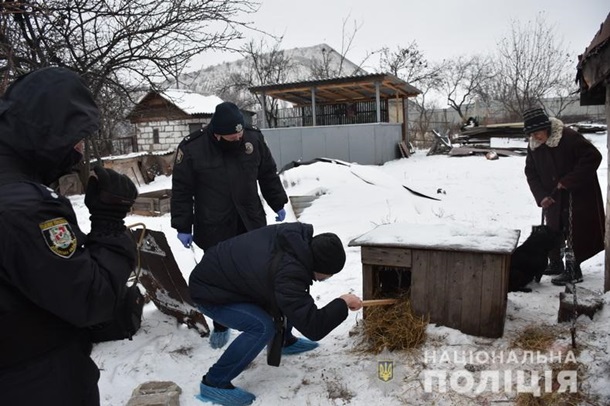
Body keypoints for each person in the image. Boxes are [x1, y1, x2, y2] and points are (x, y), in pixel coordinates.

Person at [0, 67, 139, 405]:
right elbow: (91, 299)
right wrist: (108, 223)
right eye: (75, 137)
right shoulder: (26, 206)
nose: (78, 149)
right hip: (35, 378)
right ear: (48, 129)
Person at [188, 222, 363, 406]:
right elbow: (314, 327)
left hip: (230, 278)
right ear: (318, 266)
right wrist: (343, 303)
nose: (327, 279)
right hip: (210, 292)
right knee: (262, 327)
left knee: (289, 300)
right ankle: (214, 383)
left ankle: (285, 341)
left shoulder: (294, 241)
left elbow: (290, 298)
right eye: (328, 274)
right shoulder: (289, 273)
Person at [171, 101, 288, 347]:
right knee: (220, 277)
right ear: (217, 133)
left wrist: (278, 202)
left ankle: (268, 327)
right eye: (232, 135)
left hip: (250, 221)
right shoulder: (193, 148)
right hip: (214, 224)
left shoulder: (253, 140)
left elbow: (267, 174)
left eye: (240, 132)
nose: (238, 137)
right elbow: (182, 190)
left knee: (260, 274)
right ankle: (222, 324)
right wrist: (183, 226)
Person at [523, 106, 605, 286]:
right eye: (532, 134)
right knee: (553, 229)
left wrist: (569, 181)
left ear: (546, 127)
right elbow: (531, 172)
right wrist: (541, 195)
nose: (536, 137)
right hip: (552, 197)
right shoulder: (534, 146)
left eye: (538, 132)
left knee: (574, 230)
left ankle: (573, 268)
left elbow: (593, 157)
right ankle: (556, 263)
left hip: (577, 195)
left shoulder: (568, 137)